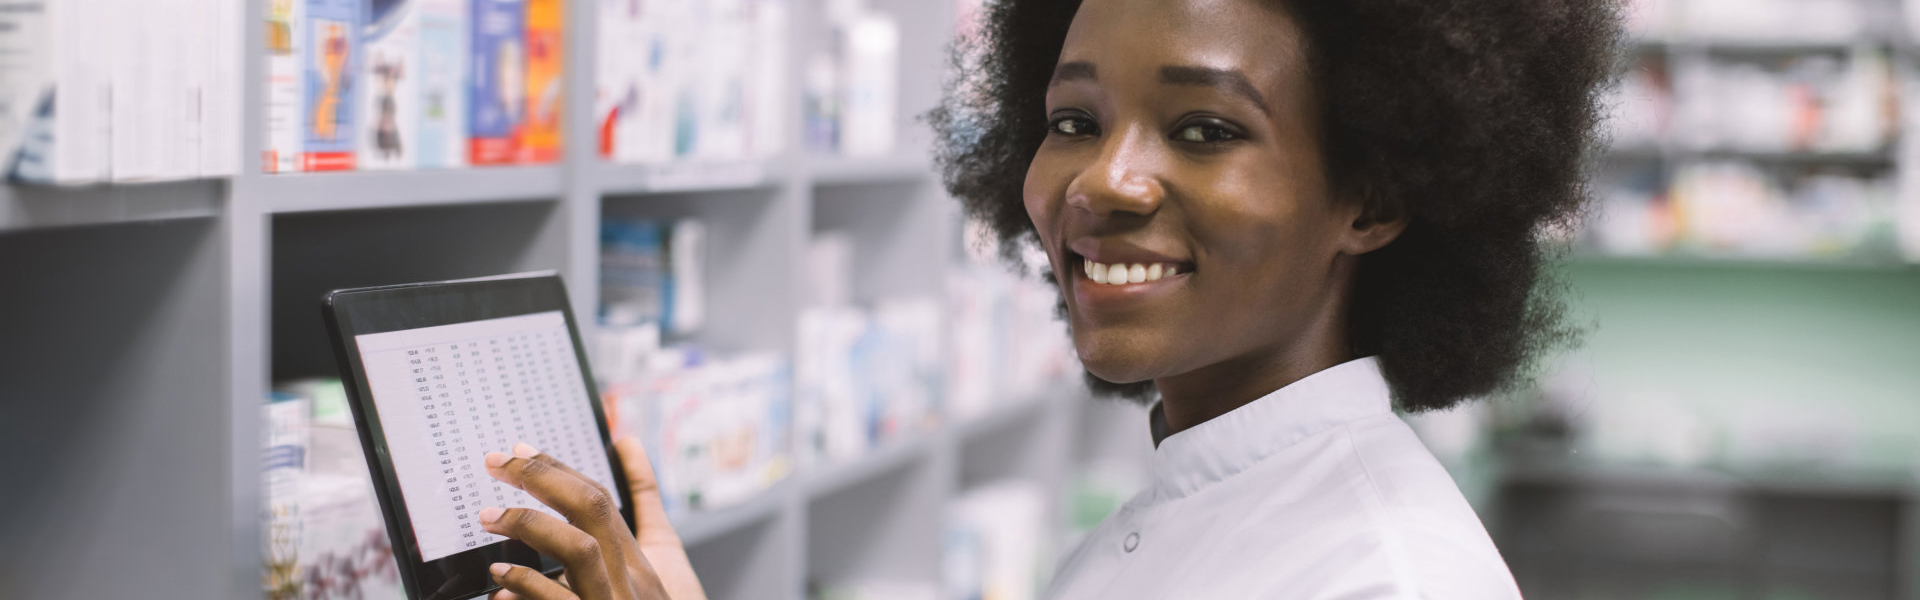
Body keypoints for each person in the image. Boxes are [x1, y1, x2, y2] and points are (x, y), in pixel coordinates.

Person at [471, 0, 1620, 597]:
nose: (1102, 181)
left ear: (1371, 197)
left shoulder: (1380, 583)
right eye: (1073, 120)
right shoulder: (1199, 484)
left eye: (1206, 129)